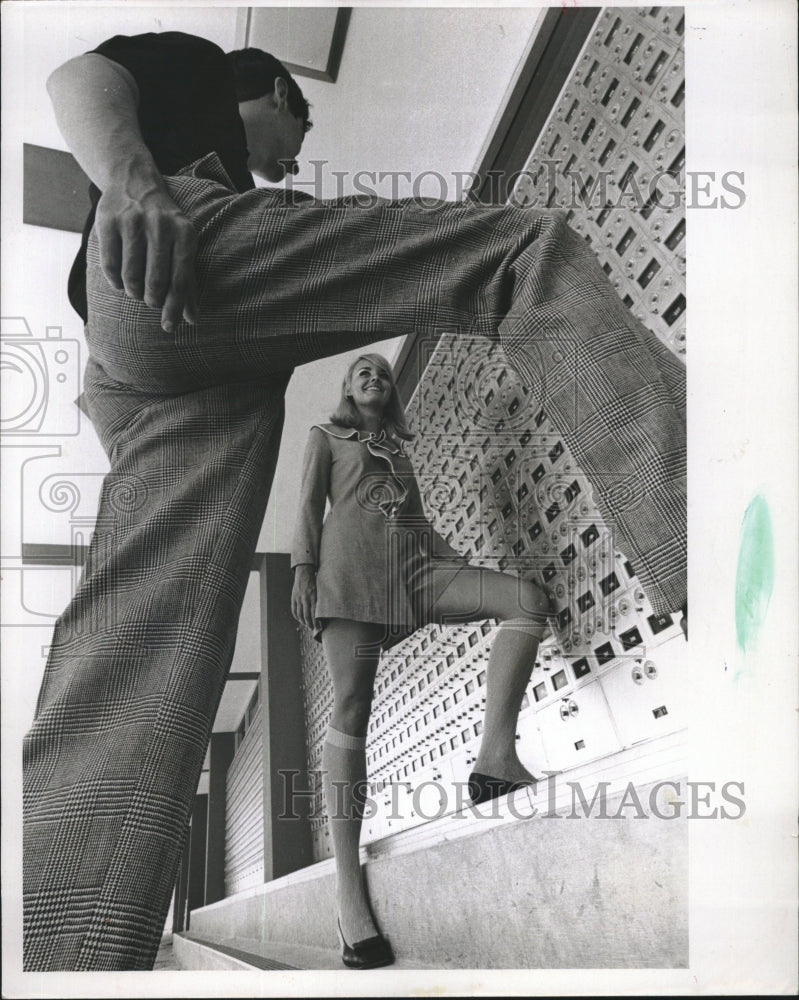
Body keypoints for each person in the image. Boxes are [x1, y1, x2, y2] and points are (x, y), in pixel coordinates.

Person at [24, 28, 686, 971]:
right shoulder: (199, 66)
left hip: (130, 355)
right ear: (274, 98)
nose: (294, 152)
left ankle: (57, 954)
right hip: (164, 244)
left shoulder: (369, 427)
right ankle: (729, 571)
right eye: (298, 127)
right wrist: (134, 183)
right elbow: (79, 73)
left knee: (140, 649)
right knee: (516, 250)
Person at [290, 353, 552, 968]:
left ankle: (494, 760)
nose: (374, 375)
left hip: (415, 571)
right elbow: (306, 508)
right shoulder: (325, 436)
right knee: (353, 705)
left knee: (524, 602)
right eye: (362, 371)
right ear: (347, 389)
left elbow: (416, 521)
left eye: (382, 370)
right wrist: (303, 571)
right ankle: (347, 888)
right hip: (350, 575)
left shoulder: (397, 449)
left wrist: (454, 557)